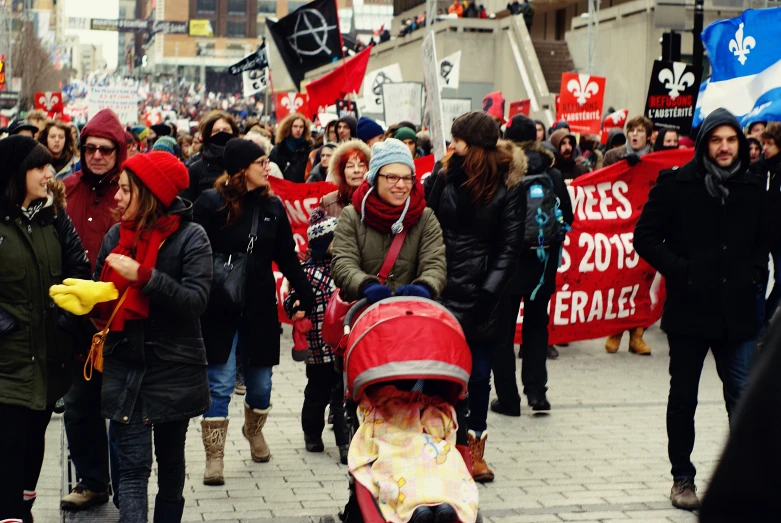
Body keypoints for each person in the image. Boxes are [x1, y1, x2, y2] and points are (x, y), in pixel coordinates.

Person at [634, 108, 766, 511]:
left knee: (743, 395)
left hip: (739, 312)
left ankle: (747, 478)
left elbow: (763, 241)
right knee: (684, 397)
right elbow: (646, 237)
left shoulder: (751, 185)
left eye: (731, 140)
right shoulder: (677, 184)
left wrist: (753, 278)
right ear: (705, 143)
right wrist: (683, 271)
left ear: (740, 144)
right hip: (691, 310)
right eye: (716, 139)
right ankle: (682, 477)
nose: (724, 147)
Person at [94, 151, 212, 522]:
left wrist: (144, 277)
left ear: (148, 193)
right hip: (125, 363)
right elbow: (102, 296)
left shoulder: (192, 237)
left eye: (127, 190)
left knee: (171, 463)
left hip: (174, 365)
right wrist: (86, 298)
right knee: (131, 470)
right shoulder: (116, 235)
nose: (117, 197)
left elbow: (195, 301)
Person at [193, 138, 315, 484]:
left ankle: (253, 429)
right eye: (260, 162)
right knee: (219, 383)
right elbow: (196, 255)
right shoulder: (209, 204)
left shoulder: (273, 207)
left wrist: (306, 295)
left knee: (261, 385)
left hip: (260, 307)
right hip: (219, 308)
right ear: (240, 169)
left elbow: (288, 256)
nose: (267, 167)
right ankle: (213, 457)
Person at [424, 111, 525, 483]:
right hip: (442, 287)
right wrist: (429, 279)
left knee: (480, 376)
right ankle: (439, 444)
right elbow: (429, 226)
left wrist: (488, 292)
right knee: (439, 372)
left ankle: (475, 451)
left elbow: (508, 247)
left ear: (475, 145)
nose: (452, 145)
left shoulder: (509, 187)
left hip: (484, 296)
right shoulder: (443, 176)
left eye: (458, 140)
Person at [0, 136, 91, 523]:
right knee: (9, 445)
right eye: (39, 167)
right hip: (7, 359)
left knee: (33, 441)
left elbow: (78, 270)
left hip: (48, 357)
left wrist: (67, 320)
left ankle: (23, 509)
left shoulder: (53, 216)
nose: (48, 174)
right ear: (16, 174)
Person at [61, 108, 128, 511]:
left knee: (120, 408)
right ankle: (92, 481)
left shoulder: (130, 189)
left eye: (105, 149)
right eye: (90, 148)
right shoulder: (66, 189)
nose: (97, 155)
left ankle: (127, 486)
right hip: (75, 317)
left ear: (118, 151)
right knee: (79, 404)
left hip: (119, 317)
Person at [492, 115, 573, 417]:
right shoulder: (552, 173)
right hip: (543, 265)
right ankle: (538, 393)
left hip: (508, 264)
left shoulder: (505, 171)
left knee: (502, 331)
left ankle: (508, 400)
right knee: (537, 328)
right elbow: (568, 217)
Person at [283, 209, 350, 463]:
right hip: (318, 348)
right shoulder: (306, 274)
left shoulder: (344, 270)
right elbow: (290, 298)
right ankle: (312, 432)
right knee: (316, 393)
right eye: (337, 240)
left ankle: (346, 435)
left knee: (341, 391)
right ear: (324, 243)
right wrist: (295, 308)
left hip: (342, 345)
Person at [602, 116, 655, 355]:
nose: (635, 135)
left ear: (648, 135)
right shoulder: (613, 156)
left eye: (640, 131)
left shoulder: (657, 158)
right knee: (621, 278)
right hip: (620, 226)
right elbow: (602, 186)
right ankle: (616, 330)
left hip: (647, 225)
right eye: (631, 130)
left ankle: (637, 335)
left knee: (643, 280)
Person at [751, 122, 781, 322]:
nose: (765, 148)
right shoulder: (757, 169)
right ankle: (758, 326)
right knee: (759, 280)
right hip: (759, 234)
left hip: (780, 235)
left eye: (770, 144)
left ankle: (766, 317)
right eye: (764, 143)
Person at [182, 111, 239, 201]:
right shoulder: (196, 169)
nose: (221, 134)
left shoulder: (244, 164)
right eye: (216, 131)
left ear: (234, 132)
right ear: (208, 135)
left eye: (226, 130)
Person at [269, 112, 313, 183]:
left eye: (301, 127)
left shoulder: (309, 148)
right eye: (295, 126)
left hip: (302, 188)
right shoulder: (278, 149)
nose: (298, 129)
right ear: (289, 127)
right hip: (282, 189)